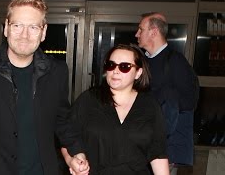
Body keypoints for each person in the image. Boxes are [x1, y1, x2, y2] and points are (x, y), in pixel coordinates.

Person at [0, 0, 89, 175]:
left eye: (33, 27)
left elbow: (62, 120)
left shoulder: (57, 71)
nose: (25, 35)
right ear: (6, 28)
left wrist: (77, 152)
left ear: (43, 31)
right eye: (17, 25)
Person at [62, 44, 169, 175]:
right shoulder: (89, 100)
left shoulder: (149, 106)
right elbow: (67, 136)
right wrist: (71, 160)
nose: (115, 71)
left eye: (124, 67)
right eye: (111, 65)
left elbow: (158, 153)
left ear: (138, 73)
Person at [135, 12, 197, 174]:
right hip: (145, 144)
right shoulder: (145, 61)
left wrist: (159, 96)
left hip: (166, 150)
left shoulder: (175, 61)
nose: (137, 34)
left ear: (154, 32)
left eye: (141, 30)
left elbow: (189, 102)